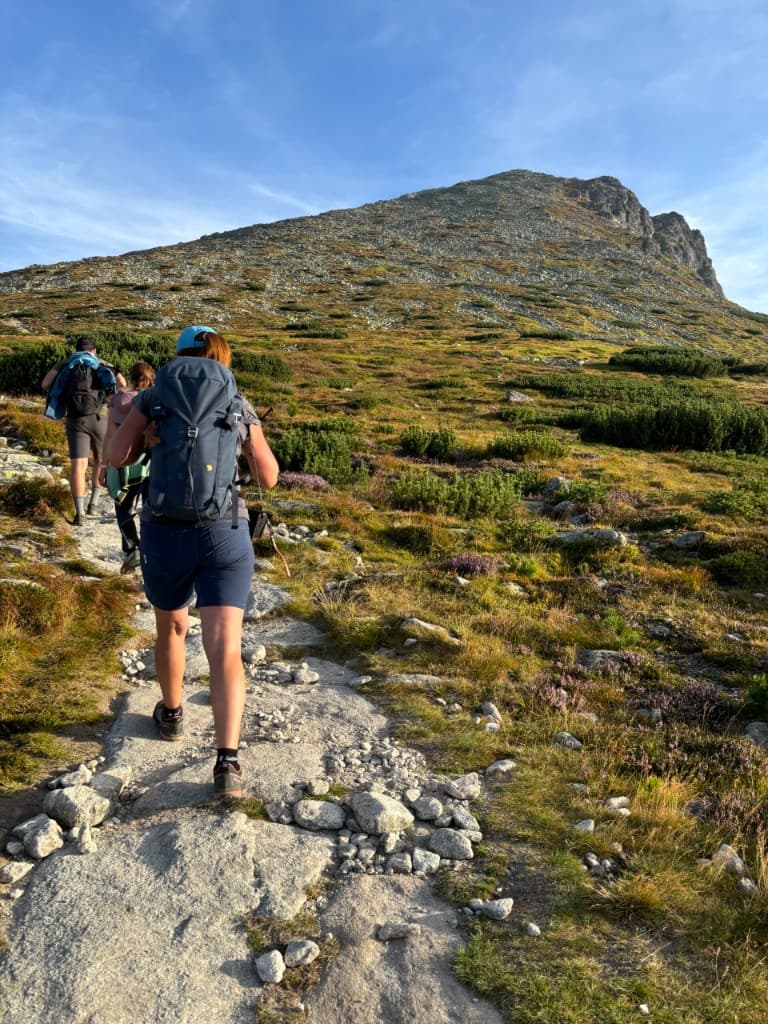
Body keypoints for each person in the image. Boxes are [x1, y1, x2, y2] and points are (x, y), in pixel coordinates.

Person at [108, 326, 280, 799]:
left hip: (166, 531)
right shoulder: (236, 400)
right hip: (225, 531)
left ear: (179, 356)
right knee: (225, 647)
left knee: (173, 628)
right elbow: (269, 475)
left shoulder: (155, 395)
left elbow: (115, 455)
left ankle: (172, 715)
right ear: (220, 355)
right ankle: (227, 762)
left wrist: (143, 435)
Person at [42, 336, 127, 526]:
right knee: (100, 461)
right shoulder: (100, 363)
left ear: (76, 349)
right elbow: (122, 384)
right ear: (94, 350)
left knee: (78, 467)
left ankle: (79, 515)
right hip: (100, 418)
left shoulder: (67, 363)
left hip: (75, 420)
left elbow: (45, 384)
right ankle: (93, 504)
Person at [99, 361, 156, 574]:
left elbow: (111, 434)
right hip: (150, 463)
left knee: (123, 507)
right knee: (151, 510)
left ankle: (132, 547)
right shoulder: (157, 398)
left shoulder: (119, 398)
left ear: (130, 377)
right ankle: (152, 552)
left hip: (123, 463)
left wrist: (104, 465)